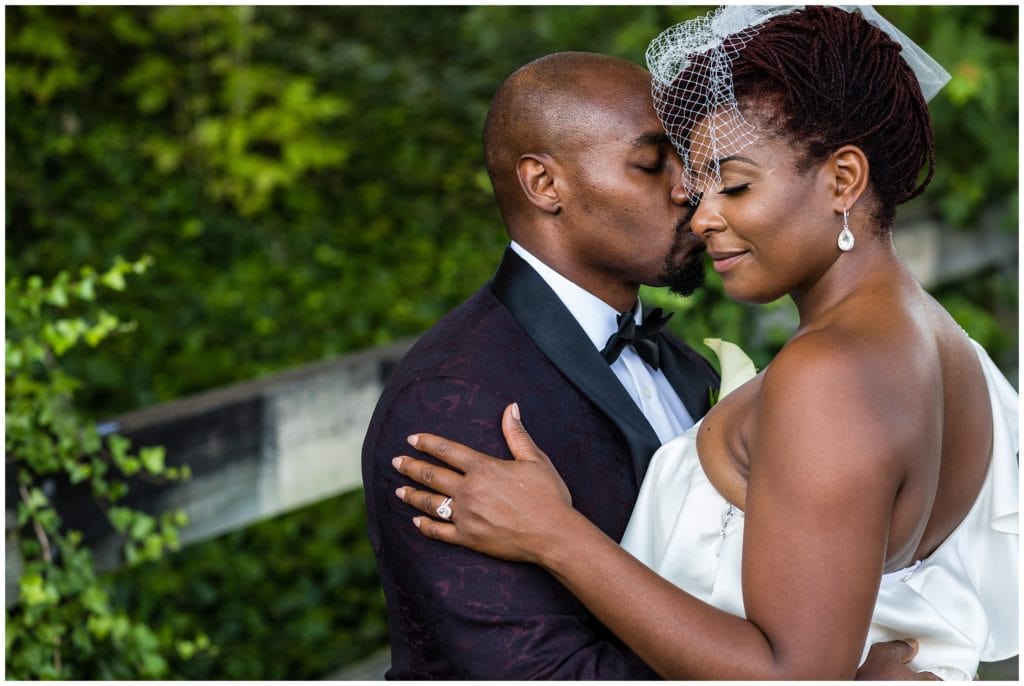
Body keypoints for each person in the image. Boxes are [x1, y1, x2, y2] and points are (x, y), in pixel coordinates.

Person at [390, 6, 1019, 681]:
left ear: (843, 180)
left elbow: (790, 675)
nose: (702, 211)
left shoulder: (828, 373)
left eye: (737, 183)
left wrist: (556, 534)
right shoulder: (946, 346)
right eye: (702, 180)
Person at [361, 51, 720, 679]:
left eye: (683, 159)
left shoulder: (685, 366)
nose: (688, 187)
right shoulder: (457, 399)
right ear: (544, 184)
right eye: (649, 162)